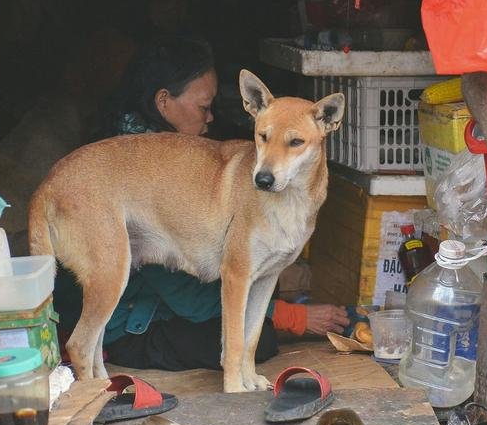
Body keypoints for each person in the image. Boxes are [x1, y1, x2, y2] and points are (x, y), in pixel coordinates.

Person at [54, 38, 349, 371]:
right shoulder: (135, 173)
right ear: (164, 102)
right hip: (129, 325)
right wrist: (288, 315)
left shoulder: (154, 151)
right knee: (258, 337)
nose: (212, 118)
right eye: (203, 107)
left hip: (146, 309)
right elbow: (187, 297)